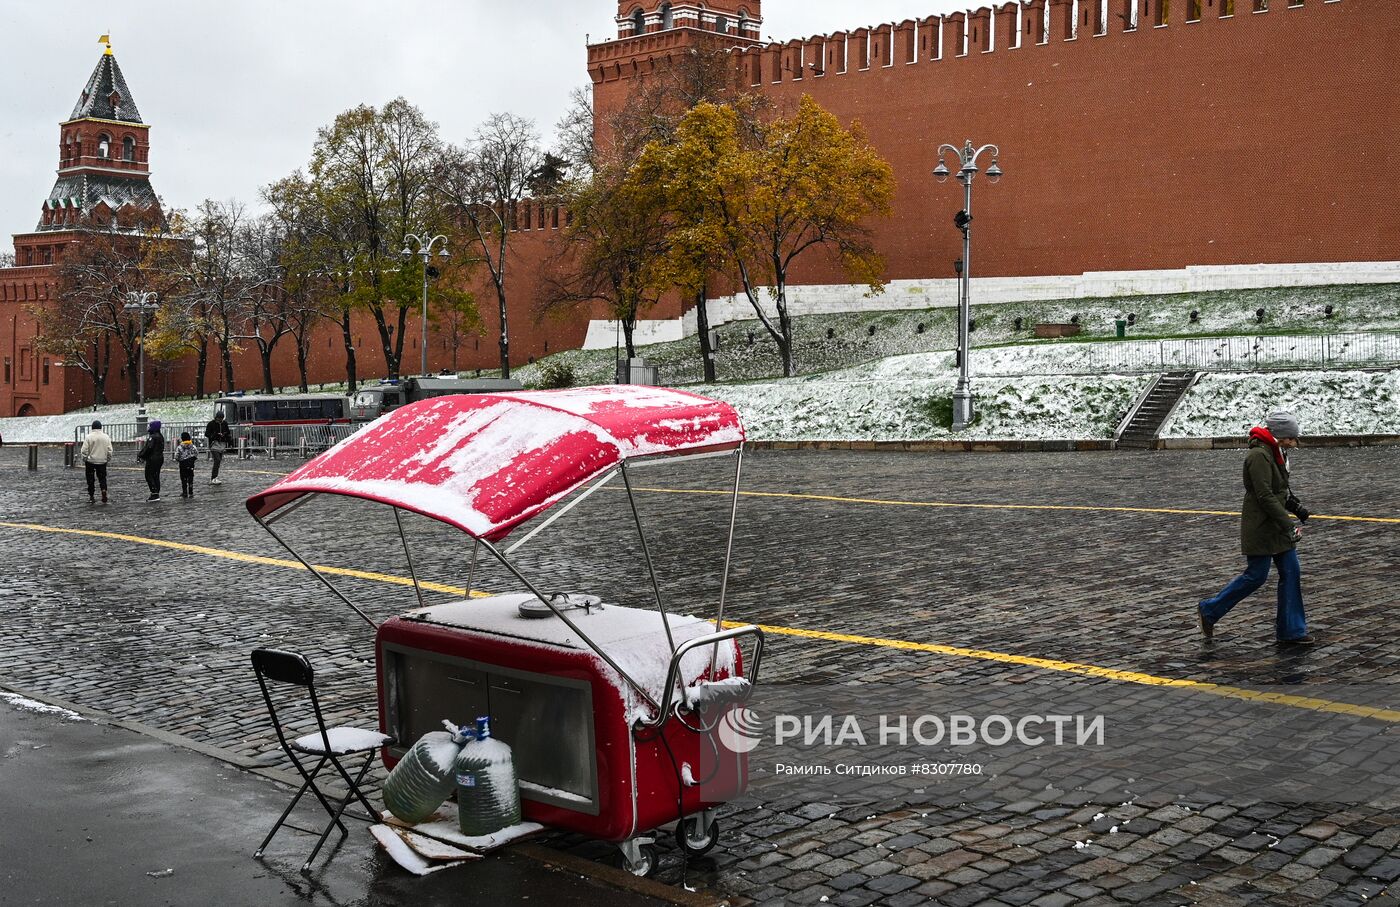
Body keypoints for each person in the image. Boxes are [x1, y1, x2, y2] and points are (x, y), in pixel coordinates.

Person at [1198, 410, 1311, 645]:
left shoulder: (1277, 452)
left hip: (1277, 526)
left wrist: (1295, 506)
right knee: (1255, 576)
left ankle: (1292, 631)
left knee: (1291, 572)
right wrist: (1288, 523)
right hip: (1261, 525)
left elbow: (1279, 491)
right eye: (1291, 437)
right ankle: (1210, 610)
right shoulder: (1258, 456)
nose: (1294, 442)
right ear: (1280, 435)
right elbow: (1264, 495)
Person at [79, 419, 113, 504]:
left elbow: (84, 450)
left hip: (91, 461)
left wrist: (85, 458)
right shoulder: (106, 437)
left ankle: (91, 496)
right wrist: (107, 458)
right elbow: (110, 450)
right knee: (102, 478)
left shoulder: (89, 437)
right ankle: (103, 490)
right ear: (100, 427)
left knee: (90, 479)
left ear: (92, 427)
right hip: (102, 461)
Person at [136, 420, 166, 502]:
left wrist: (141, 455)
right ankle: (156, 492)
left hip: (153, 459)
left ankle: (154, 493)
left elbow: (148, 448)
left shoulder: (153, 437)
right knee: (156, 476)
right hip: (159, 458)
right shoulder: (160, 436)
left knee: (149, 475)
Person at [204, 410, 232, 485]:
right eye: (219, 418)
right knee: (217, 460)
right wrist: (214, 435)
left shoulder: (225, 423)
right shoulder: (211, 424)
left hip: (222, 444)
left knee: (218, 461)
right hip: (214, 444)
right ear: (216, 418)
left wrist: (225, 435)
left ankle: (215, 477)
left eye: (222, 418)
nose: (220, 420)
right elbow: (206, 433)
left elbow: (228, 432)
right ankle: (213, 478)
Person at [175, 431, 199, 498]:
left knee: (183, 478)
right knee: (190, 478)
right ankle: (191, 492)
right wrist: (193, 459)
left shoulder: (179, 447)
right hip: (191, 464)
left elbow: (176, 456)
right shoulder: (193, 446)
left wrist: (179, 460)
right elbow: (196, 453)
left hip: (183, 465)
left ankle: (185, 492)